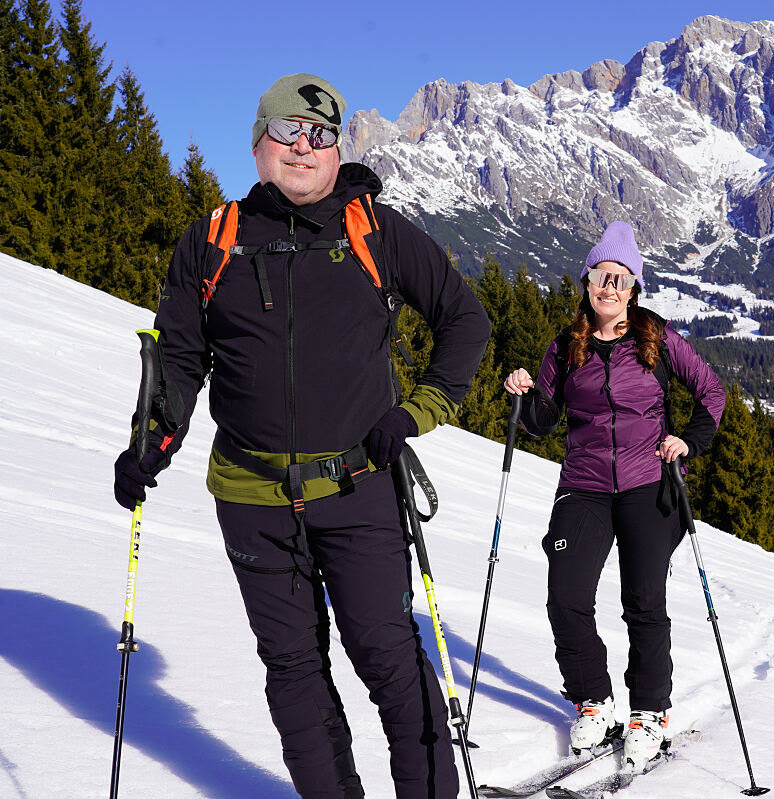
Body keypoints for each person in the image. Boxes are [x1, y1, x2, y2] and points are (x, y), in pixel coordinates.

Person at [112, 73, 490, 799]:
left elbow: (464, 320)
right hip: (250, 494)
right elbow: (181, 356)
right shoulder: (212, 240)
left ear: (337, 148)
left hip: (360, 486)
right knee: (292, 669)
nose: (304, 147)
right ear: (258, 143)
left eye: (321, 134)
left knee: (385, 656)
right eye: (288, 131)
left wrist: (416, 411)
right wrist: (151, 441)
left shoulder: (374, 228)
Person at [502, 221, 725, 771]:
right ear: (587, 281)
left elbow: (711, 392)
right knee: (566, 597)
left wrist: (687, 442)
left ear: (633, 289)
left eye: (622, 280)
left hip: (650, 484)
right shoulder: (565, 345)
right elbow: (543, 420)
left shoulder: (658, 337)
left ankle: (649, 714)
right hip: (584, 486)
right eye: (603, 276)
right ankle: (594, 703)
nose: (611, 287)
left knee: (644, 604)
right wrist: (523, 395)